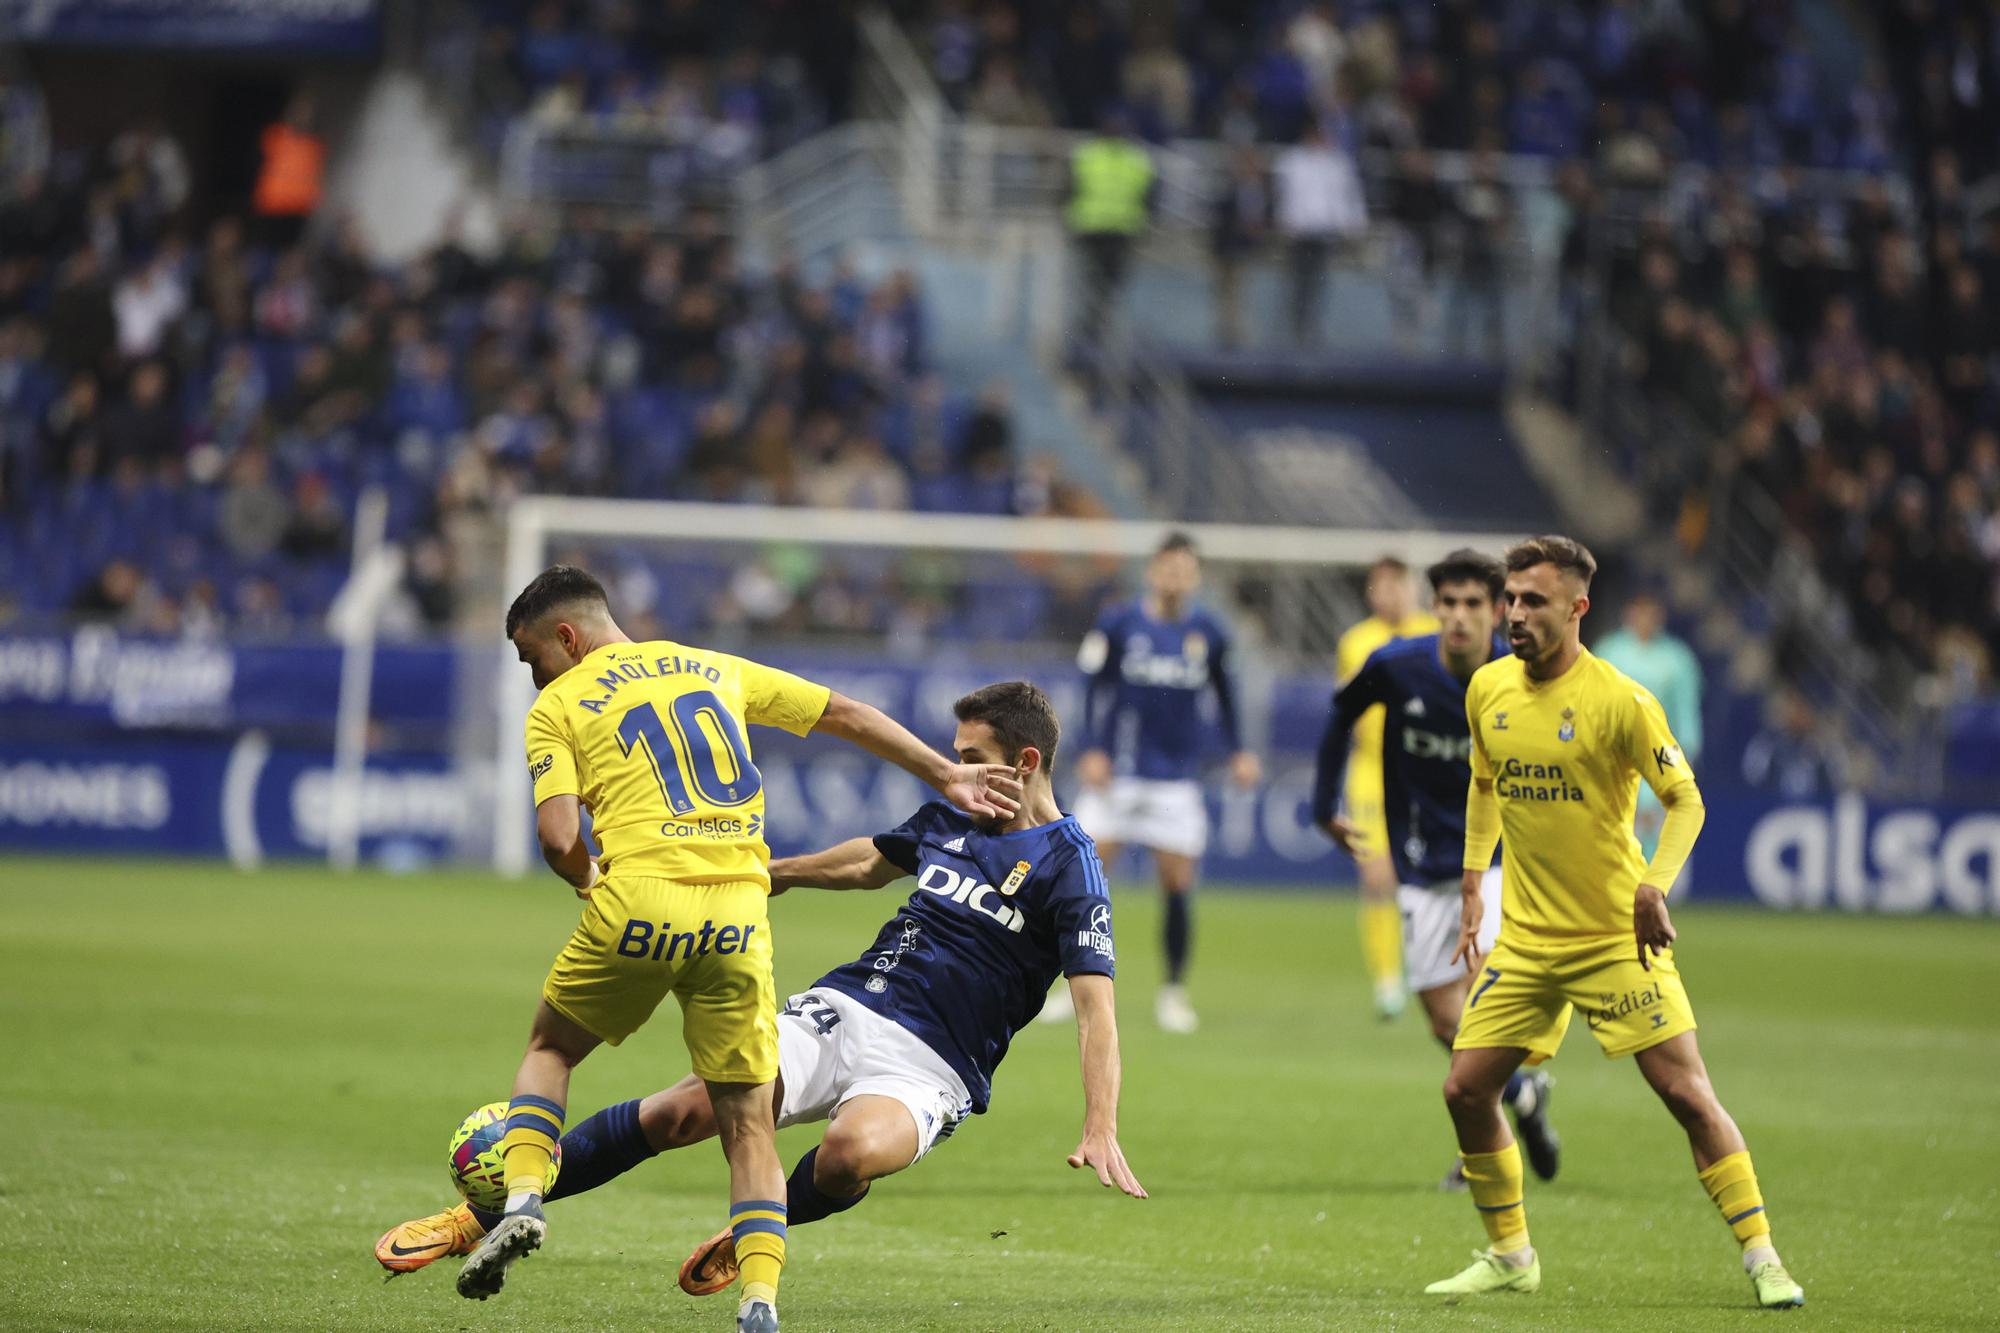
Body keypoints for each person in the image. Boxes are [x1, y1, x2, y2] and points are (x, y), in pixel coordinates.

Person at [376, 683, 1145, 1292]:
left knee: (848, 1153)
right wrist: (770, 873)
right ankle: (475, 1217)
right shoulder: (955, 813)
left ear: (1027, 762)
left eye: (972, 754)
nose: (957, 767)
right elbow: (872, 861)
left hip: (933, 1066)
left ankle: (756, 1228)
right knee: (683, 1110)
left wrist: (1100, 1123)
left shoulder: (1070, 865)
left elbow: (1094, 1008)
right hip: (846, 1007)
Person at [458, 566, 1022, 1333]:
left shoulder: (558, 705)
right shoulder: (712, 666)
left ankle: (522, 1198)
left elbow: (559, 839)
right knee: (749, 1123)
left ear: (566, 636)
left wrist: (589, 877)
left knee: (551, 1049)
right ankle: (760, 1301)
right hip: (737, 912)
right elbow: (845, 713)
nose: (534, 677)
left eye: (533, 659)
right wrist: (945, 770)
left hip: (641, 897)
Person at [1426, 536, 1804, 1310]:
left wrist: (1654, 886)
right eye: (1512, 599)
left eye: (1534, 601)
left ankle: (1763, 1254)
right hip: (1528, 940)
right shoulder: (1488, 688)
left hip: (1613, 939)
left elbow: (1686, 801)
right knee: (1466, 1089)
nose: (1515, 614)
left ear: (1577, 607)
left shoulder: (1621, 700)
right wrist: (1473, 880)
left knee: (1689, 1095)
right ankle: (1510, 1254)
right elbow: (1485, 781)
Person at [1312, 550, 1560, 1190]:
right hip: (1422, 866)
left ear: (1498, 609)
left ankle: (1482, 1150)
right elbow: (1342, 714)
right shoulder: (1398, 667)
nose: (1458, 616)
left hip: (1501, 863)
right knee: (1446, 1021)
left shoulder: (1522, 674)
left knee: (1484, 1004)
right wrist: (1322, 807)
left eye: (1472, 604)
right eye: (1447, 603)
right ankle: (1523, 1093)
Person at [1056, 532, 1260, 1034]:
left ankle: (1172, 991)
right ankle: (1066, 986)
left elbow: (1227, 694)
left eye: (1183, 568)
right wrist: (1091, 750)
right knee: (1081, 882)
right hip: (1116, 776)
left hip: (1175, 780)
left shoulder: (1208, 632)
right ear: (1152, 572)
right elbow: (1088, 691)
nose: (1173, 576)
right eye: (1166, 567)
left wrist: (1238, 750)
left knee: (1177, 884)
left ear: (1195, 576)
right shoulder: (1118, 623)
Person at [1333, 556, 1438, 1019]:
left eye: (1398, 585)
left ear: (1412, 589)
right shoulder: (1356, 642)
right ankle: (1387, 982)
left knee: (1432, 876)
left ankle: (1431, 968)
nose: (1389, 594)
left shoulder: (1434, 633)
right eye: (1381, 586)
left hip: (1426, 768)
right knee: (1377, 877)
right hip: (1372, 771)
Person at [1595, 588, 1705, 860]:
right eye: (1639, 612)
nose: (1645, 619)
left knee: (1652, 823)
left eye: (1650, 614)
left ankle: (1650, 890)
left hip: (1659, 752)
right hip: (1615, 753)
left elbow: (1686, 709)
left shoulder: (1678, 658)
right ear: (1629, 614)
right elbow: (1593, 705)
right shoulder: (1609, 652)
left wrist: (1688, 753)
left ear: (1659, 617)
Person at [1273, 119, 1369, 344]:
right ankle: (1296, 330)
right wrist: (1286, 221)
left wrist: (1354, 224)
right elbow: (1286, 195)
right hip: (1300, 231)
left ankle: (1311, 329)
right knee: (1298, 282)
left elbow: (1347, 196)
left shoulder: (1336, 163)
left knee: (1318, 283)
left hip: (1325, 231)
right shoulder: (1292, 160)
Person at [1064, 107, 1154, 345]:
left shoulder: (1136, 158)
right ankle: (1089, 327)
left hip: (1121, 230)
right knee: (1090, 280)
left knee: (1112, 282)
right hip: (1091, 227)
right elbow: (1070, 188)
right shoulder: (1089, 154)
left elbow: (1148, 196)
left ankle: (1101, 327)